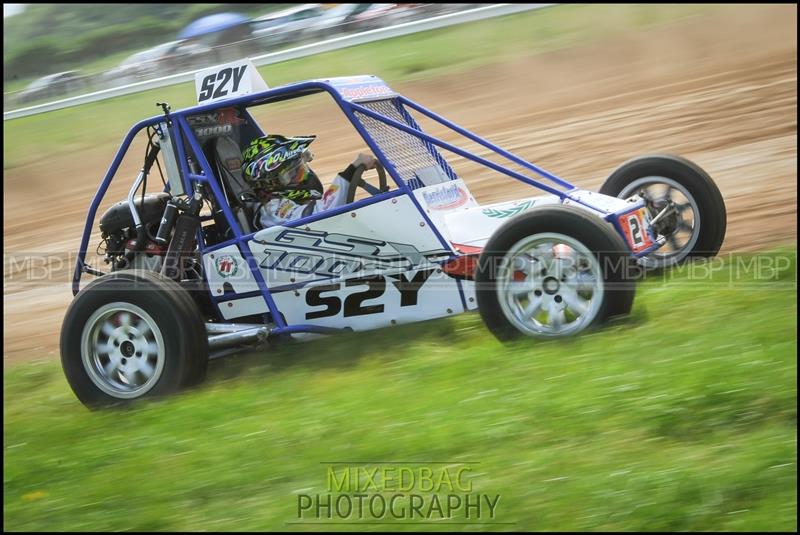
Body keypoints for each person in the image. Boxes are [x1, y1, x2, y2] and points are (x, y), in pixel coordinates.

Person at [241, 134, 377, 229]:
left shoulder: (278, 202)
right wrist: (351, 170)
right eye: (294, 174)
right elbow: (321, 215)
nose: (304, 176)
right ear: (272, 183)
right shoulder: (272, 210)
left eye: (301, 169)